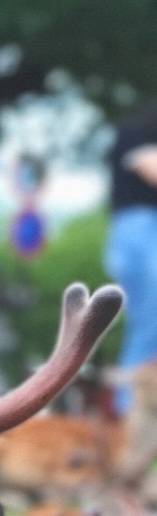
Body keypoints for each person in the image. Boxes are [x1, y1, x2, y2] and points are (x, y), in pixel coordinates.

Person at [106, 100, 157, 489]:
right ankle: (127, 428)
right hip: (138, 230)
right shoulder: (138, 132)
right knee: (149, 327)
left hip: (143, 230)